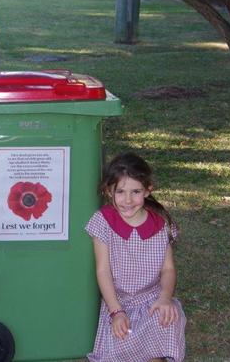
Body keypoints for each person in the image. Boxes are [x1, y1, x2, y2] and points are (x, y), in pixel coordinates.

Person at [85, 152, 186, 362]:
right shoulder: (102, 222)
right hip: (119, 301)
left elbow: (168, 269)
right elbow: (102, 270)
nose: (128, 200)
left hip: (152, 298)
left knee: (167, 317)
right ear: (108, 190)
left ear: (148, 190)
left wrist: (165, 298)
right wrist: (116, 312)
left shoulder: (161, 224)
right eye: (120, 191)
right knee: (121, 336)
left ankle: (154, 356)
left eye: (136, 191)